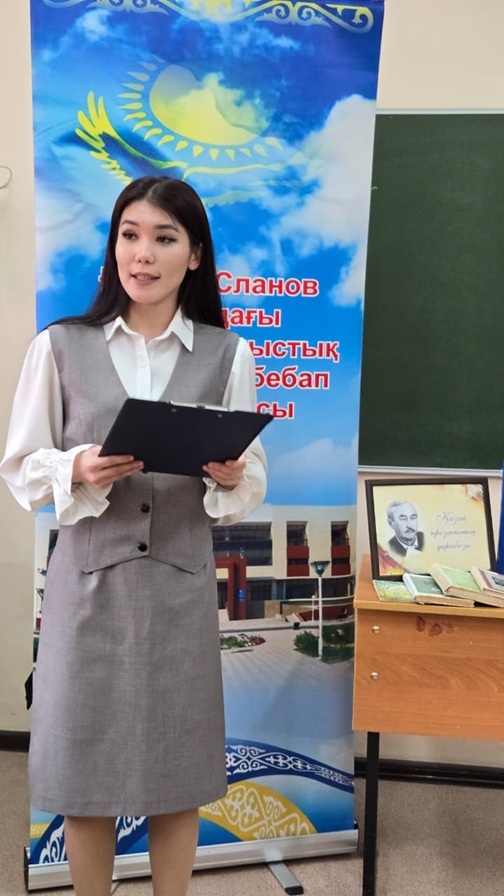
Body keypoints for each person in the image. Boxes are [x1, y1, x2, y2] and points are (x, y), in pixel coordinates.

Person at [0, 176, 267, 896]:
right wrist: (76, 466)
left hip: (179, 590)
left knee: (178, 774)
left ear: (196, 255)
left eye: (163, 238)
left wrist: (228, 473)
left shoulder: (228, 354)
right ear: (113, 245)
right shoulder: (59, 346)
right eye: (129, 235)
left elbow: (247, 483)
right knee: (82, 773)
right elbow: (20, 467)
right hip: (85, 591)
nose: (142, 254)